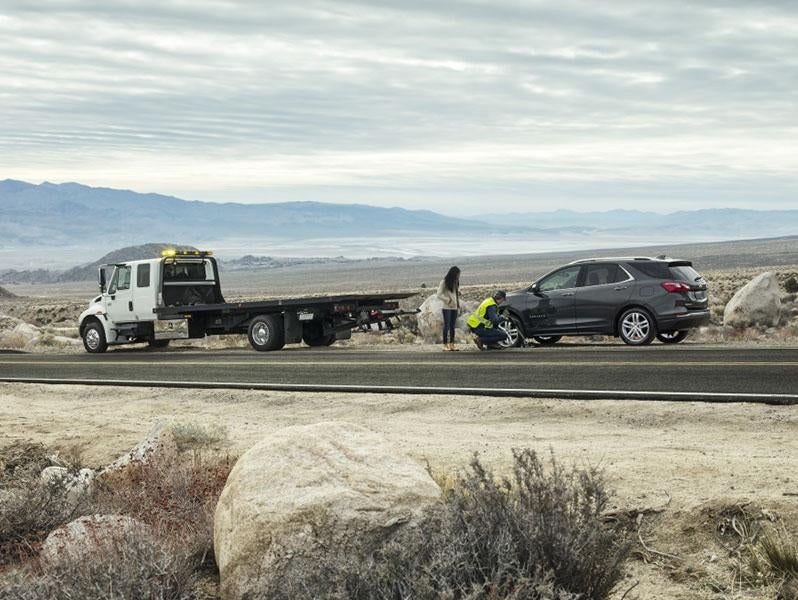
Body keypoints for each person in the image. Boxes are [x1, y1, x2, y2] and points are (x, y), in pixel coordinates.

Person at [436, 266, 461, 351]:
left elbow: (455, 294)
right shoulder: (444, 282)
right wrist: (448, 300)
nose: (458, 276)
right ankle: (445, 345)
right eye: (457, 274)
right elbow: (439, 294)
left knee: (452, 326)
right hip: (447, 307)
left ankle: (452, 344)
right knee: (446, 326)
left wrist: (457, 301)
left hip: (455, 307)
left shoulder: (456, 282)